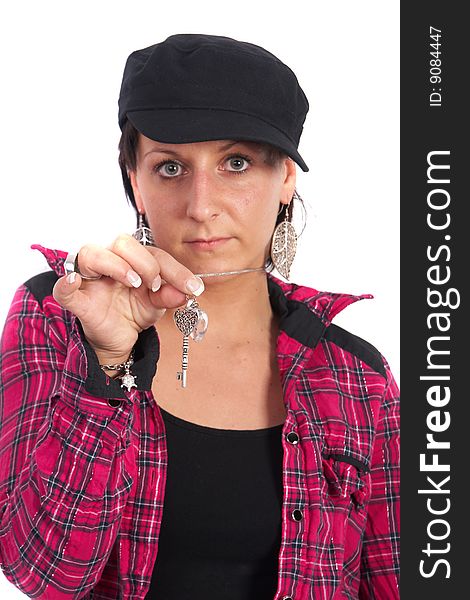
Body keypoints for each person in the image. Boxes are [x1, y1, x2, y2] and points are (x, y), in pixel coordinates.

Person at [0, 34, 399, 599]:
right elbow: (43, 573)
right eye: (169, 168)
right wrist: (107, 361)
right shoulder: (59, 314)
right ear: (134, 179)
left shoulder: (355, 376)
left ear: (285, 177)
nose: (201, 204)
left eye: (236, 163)